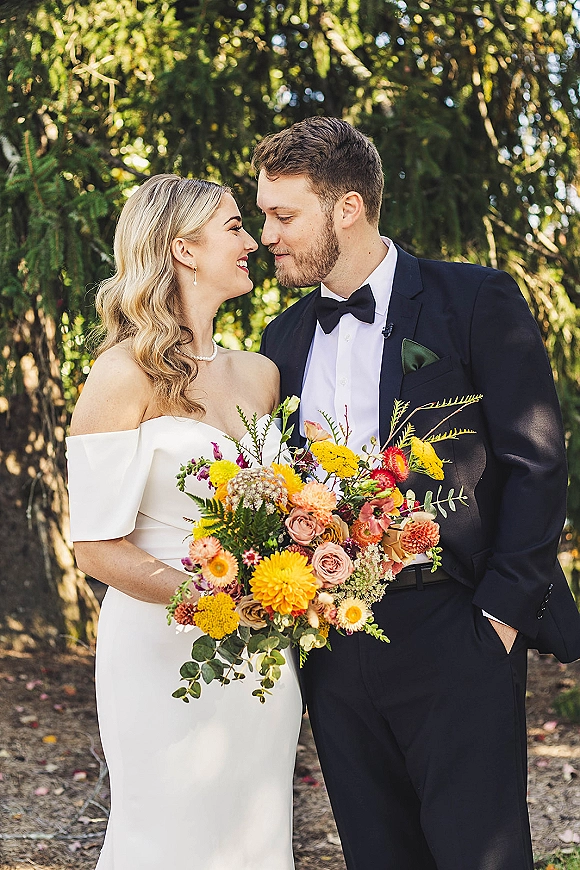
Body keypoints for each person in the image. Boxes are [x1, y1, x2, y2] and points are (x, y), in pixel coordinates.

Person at [254, 117, 580, 870]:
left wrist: (499, 615)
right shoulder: (280, 340)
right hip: (332, 641)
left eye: (283, 215)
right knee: (377, 853)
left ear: (348, 209)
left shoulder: (474, 299)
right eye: (264, 215)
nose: (267, 234)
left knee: (479, 855)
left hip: (456, 621)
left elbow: (535, 458)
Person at [66, 174, 302, 870]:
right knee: (165, 835)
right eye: (234, 226)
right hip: (164, 650)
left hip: (260, 651)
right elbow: (94, 546)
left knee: (256, 837)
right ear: (183, 248)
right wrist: (207, 600)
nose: (253, 241)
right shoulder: (121, 373)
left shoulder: (260, 373)